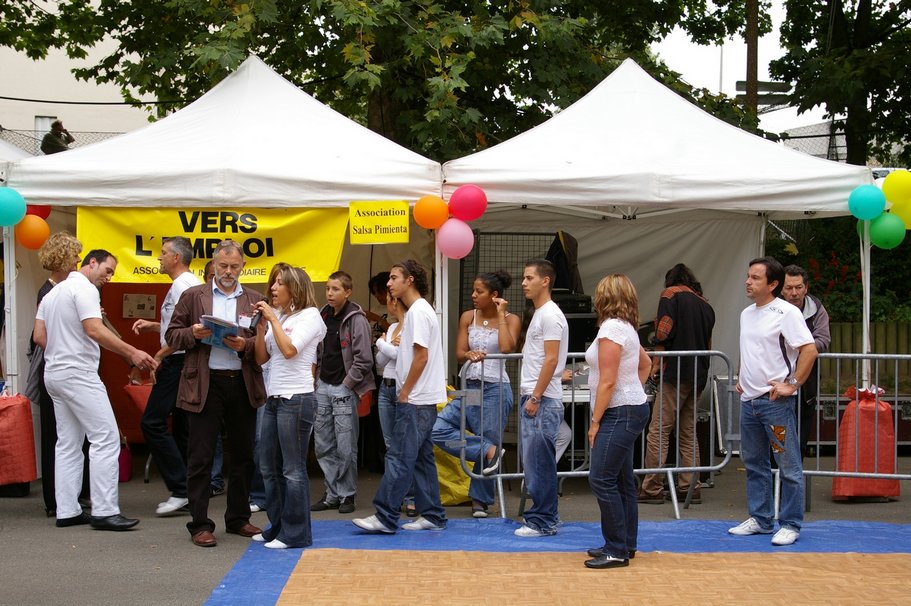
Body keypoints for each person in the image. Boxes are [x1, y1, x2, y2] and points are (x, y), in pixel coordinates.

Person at [33, 243, 157, 531]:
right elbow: (94, 329)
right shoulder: (86, 290)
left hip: (54, 372)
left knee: (67, 443)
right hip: (78, 372)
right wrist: (132, 353)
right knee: (106, 438)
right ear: (90, 263)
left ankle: (67, 510)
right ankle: (104, 510)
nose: (109, 277)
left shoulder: (52, 294)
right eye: (107, 270)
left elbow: (39, 336)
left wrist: (63, 348)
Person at [165, 239, 266, 548]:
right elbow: (171, 335)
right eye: (223, 266)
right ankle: (199, 524)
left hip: (241, 382)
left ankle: (237, 518)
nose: (228, 271)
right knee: (201, 456)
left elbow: (263, 344)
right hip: (205, 384)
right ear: (212, 265)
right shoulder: (193, 296)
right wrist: (192, 334)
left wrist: (244, 345)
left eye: (234, 266)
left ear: (243, 267)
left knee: (243, 455)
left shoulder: (255, 300)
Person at [352, 260, 447, 533]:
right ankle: (433, 514)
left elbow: (421, 356)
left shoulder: (417, 312)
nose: (389, 284)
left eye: (394, 278)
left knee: (399, 457)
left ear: (410, 281)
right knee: (420, 458)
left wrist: (405, 391)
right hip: (422, 397)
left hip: (415, 398)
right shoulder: (421, 310)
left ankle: (385, 515)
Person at [729, 256, 818, 547]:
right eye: (748, 276)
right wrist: (743, 377)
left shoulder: (786, 313)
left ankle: (790, 523)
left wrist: (792, 384)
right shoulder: (746, 313)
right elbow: (749, 349)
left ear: (773, 284)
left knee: (787, 462)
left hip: (774, 403)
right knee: (754, 461)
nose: (748, 281)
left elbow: (809, 350)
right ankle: (761, 518)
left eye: (755, 278)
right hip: (751, 401)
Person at [432, 270, 520, 518]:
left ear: (494, 295)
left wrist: (501, 314)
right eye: (473, 290)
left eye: (478, 291)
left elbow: (506, 347)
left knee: (487, 434)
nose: (473, 295)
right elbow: (459, 352)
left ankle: (480, 500)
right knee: (439, 430)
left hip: (495, 388)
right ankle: (486, 449)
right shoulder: (467, 316)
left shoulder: (511, 319)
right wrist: (469, 354)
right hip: (470, 386)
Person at [252, 265, 326, 549]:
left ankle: (295, 534)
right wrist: (261, 329)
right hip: (274, 397)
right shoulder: (278, 317)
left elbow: (290, 350)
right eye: (273, 283)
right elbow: (262, 358)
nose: (272, 288)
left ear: (294, 288)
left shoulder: (311, 317)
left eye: (279, 283)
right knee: (268, 466)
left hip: (297, 399)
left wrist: (272, 319)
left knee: (292, 469)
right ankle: (278, 526)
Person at [583, 274, 652, 569]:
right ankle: (624, 543)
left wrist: (595, 421)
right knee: (621, 480)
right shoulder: (627, 328)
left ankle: (616, 549)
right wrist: (634, 388)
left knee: (600, 477)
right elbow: (646, 364)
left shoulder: (611, 328)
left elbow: (608, 381)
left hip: (618, 411)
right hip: (630, 407)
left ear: (604, 297)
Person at [130, 237, 202, 516]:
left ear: (176, 258)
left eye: (163, 253)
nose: (158, 258)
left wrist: (159, 354)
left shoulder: (184, 285)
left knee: (152, 422)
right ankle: (189, 489)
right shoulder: (186, 285)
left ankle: (181, 488)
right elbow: (181, 326)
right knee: (182, 427)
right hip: (181, 359)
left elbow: (193, 329)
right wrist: (155, 326)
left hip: (179, 361)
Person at [638, 263, 715, 505]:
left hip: (676, 372)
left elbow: (663, 331)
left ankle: (652, 488)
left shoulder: (669, 294)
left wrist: (657, 330)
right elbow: (709, 341)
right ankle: (690, 486)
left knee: (659, 430)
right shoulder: (705, 303)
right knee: (688, 431)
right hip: (699, 372)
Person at [26, 232, 91, 518]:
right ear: (64, 258)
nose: (79, 259)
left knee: (70, 436)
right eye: (75, 254)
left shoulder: (60, 288)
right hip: (60, 367)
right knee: (60, 435)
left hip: (59, 367)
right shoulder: (51, 291)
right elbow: (40, 336)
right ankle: (56, 499)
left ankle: (71, 497)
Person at [311, 271, 374, 514]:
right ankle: (332, 494)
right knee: (323, 443)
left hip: (343, 387)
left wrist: (348, 384)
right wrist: (316, 380)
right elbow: (317, 351)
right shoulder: (322, 315)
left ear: (347, 292)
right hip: (323, 386)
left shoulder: (355, 318)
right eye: (327, 288)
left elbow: (364, 359)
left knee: (345, 445)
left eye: (335, 289)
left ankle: (347, 494)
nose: (329, 293)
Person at [514, 259, 568, 537]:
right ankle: (545, 517)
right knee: (536, 463)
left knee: (539, 463)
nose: (524, 283)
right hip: (539, 397)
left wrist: (535, 396)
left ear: (545, 281)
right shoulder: (542, 313)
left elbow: (551, 359)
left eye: (529, 278)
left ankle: (543, 520)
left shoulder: (549, 315)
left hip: (541, 399)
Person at [374, 290, 416, 516]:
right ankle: (395, 495)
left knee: (404, 446)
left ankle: (410, 496)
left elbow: (401, 356)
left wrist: (382, 344)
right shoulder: (391, 328)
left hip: (401, 388)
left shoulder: (410, 324)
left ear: (394, 302)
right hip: (386, 387)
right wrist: (386, 345)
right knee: (391, 446)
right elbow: (380, 360)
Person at [782, 264, 831, 459]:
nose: (794, 293)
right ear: (780, 288)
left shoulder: (816, 308)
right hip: (776, 384)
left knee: (800, 440)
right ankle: (775, 485)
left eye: (799, 287)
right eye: (789, 288)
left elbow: (824, 339)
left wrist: (800, 346)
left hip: (806, 385)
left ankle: (793, 487)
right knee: (777, 442)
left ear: (806, 287)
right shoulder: (772, 308)